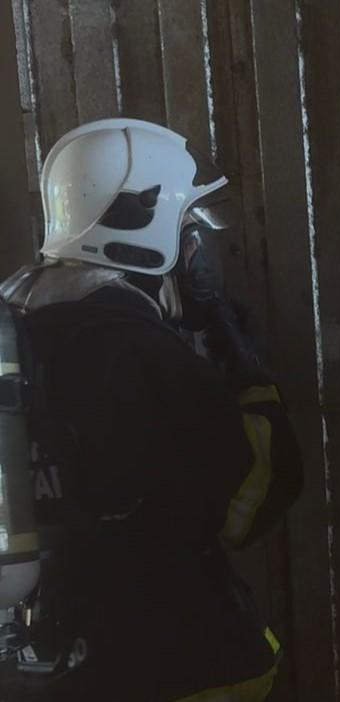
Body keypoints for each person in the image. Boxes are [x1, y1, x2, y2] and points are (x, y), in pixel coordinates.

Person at [0, 118, 303, 701]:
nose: (199, 248)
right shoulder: (131, 347)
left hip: (57, 652)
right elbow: (256, 497)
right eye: (190, 227)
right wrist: (240, 358)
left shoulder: (21, 317)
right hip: (166, 655)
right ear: (144, 220)